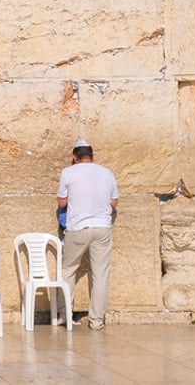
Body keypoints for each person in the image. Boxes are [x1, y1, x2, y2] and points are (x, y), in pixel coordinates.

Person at [56, 139, 119, 331]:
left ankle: (64, 314)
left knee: (68, 270)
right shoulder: (107, 172)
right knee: (100, 274)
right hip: (102, 228)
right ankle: (97, 321)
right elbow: (114, 202)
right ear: (92, 156)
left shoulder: (68, 172)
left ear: (74, 157)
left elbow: (61, 202)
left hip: (78, 228)